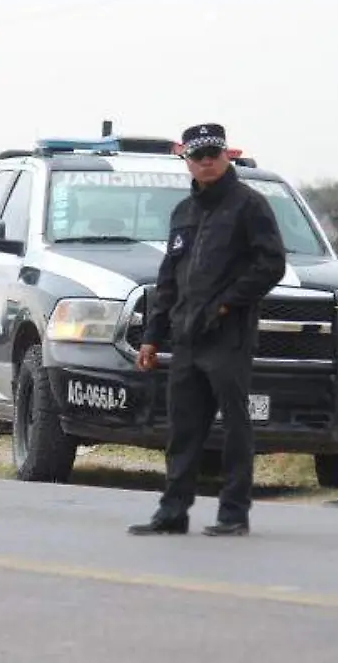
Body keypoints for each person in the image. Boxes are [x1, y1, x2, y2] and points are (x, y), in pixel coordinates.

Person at [127, 123, 287, 537]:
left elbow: (271, 264)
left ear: (226, 155)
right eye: (198, 156)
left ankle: (233, 514)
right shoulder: (183, 213)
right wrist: (151, 337)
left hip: (228, 335)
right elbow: (169, 281)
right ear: (187, 162)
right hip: (185, 337)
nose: (206, 162)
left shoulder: (249, 205)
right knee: (183, 428)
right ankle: (173, 512)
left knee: (235, 427)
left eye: (213, 153)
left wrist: (228, 301)